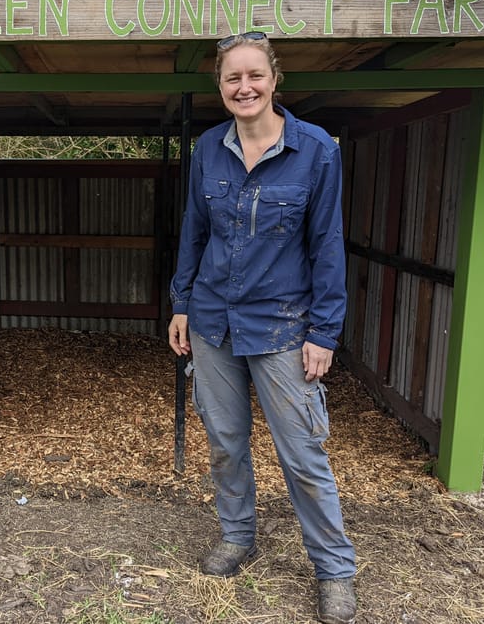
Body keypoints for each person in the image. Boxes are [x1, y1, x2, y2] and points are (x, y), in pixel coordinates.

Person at [168, 32, 356, 624]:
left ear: (275, 80)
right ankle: (237, 536)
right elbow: (193, 232)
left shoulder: (317, 150)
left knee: (301, 452)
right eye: (231, 79)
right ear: (220, 87)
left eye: (254, 76)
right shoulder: (209, 149)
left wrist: (324, 332)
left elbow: (327, 245)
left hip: (282, 326)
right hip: (212, 319)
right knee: (225, 443)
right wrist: (180, 303)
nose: (243, 87)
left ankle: (333, 568)